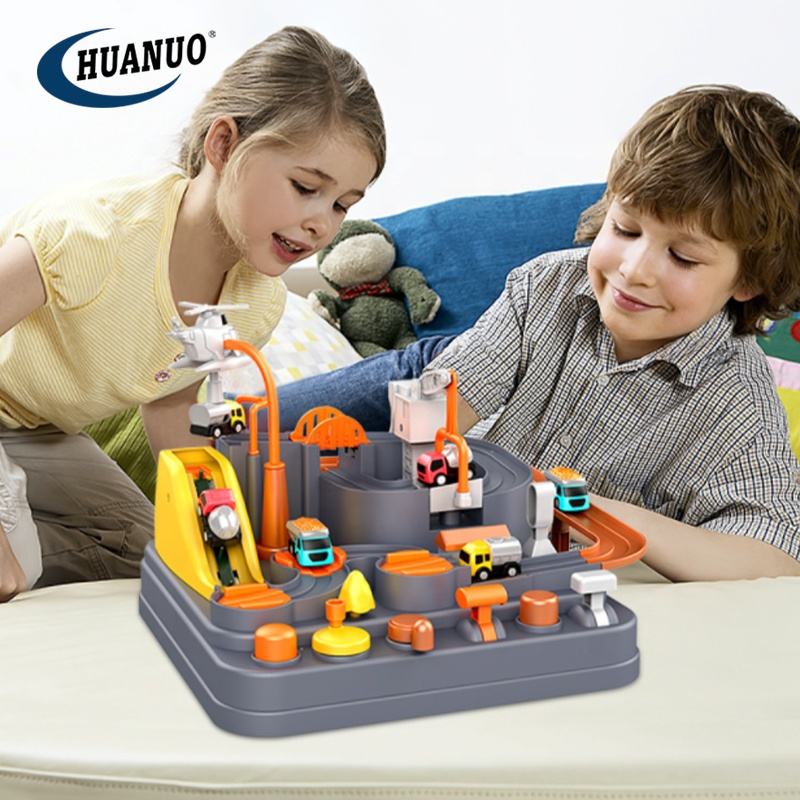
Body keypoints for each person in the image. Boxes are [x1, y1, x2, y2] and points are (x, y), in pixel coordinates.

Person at [277, 85, 800, 582]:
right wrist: (402, 478)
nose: (634, 270)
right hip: (445, 423)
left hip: (539, 569)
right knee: (273, 432)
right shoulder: (545, 286)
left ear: (749, 280)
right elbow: (441, 409)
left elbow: (775, 556)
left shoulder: (741, 406)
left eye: (683, 257)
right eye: (625, 229)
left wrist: (587, 508)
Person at [0, 26, 385, 601]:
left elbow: (171, 401)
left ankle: (24, 545)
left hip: (43, 431)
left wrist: (223, 529)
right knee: (8, 571)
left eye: (342, 205)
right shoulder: (92, 235)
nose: (321, 224)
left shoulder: (255, 302)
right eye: (306, 187)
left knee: (146, 550)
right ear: (223, 144)